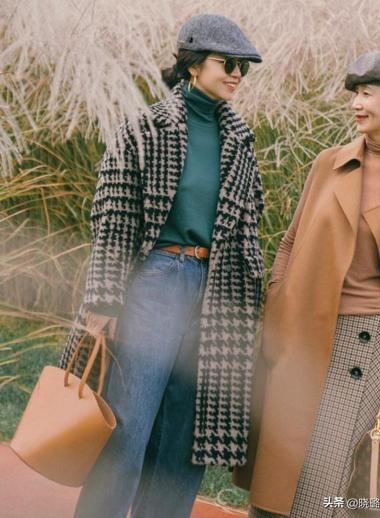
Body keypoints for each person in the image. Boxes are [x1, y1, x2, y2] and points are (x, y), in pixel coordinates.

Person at [58, 13, 264, 518]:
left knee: (185, 434)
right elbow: (112, 218)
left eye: (244, 67)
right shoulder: (146, 129)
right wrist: (103, 300)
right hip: (156, 282)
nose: (238, 74)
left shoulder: (241, 139)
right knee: (127, 423)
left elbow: (249, 226)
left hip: (216, 291)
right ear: (193, 64)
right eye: (228, 63)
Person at [234, 48, 380, 518]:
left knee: (329, 472)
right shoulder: (329, 162)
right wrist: (279, 304)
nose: (356, 103)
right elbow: (290, 241)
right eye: (355, 93)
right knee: (280, 463)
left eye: (368, 94)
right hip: (304, 329)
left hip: (368, 342)